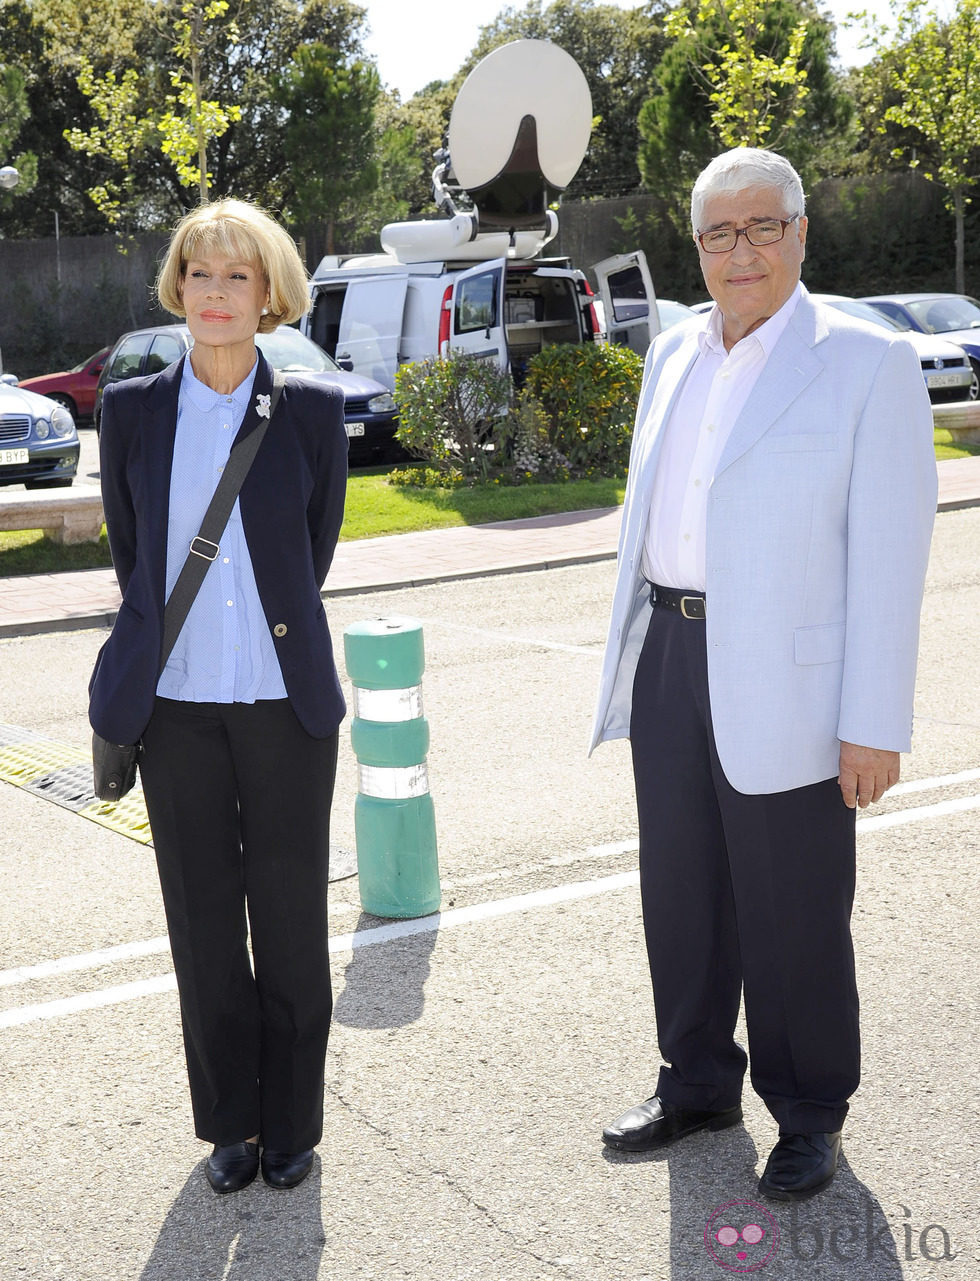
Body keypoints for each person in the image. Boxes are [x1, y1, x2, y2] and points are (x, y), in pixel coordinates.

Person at [591, 147, 936, 1200]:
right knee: (680, 893)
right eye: (715, 233)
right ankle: (695, 1079)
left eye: (759, 228)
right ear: (692, 246)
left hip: (792, 680)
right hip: (671, 654)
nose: (738, 251)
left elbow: (888, 556)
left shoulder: (864, 361)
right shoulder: (670, 353)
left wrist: (870, 720)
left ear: (797, 233)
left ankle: (807, 1111)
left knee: (791, 909)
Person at [89, 199, 348, 1194]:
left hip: (285, 708)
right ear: (177, 287)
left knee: (288, 922)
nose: (213, 292)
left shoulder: (313, 414)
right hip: (179, 714)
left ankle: (291, 1125)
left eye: (236, 276)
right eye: (198, 272)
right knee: (202, 924)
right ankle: (228, 1127)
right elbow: (131, 554)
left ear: (269, 293)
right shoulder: (133, 409)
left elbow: (309, 553)